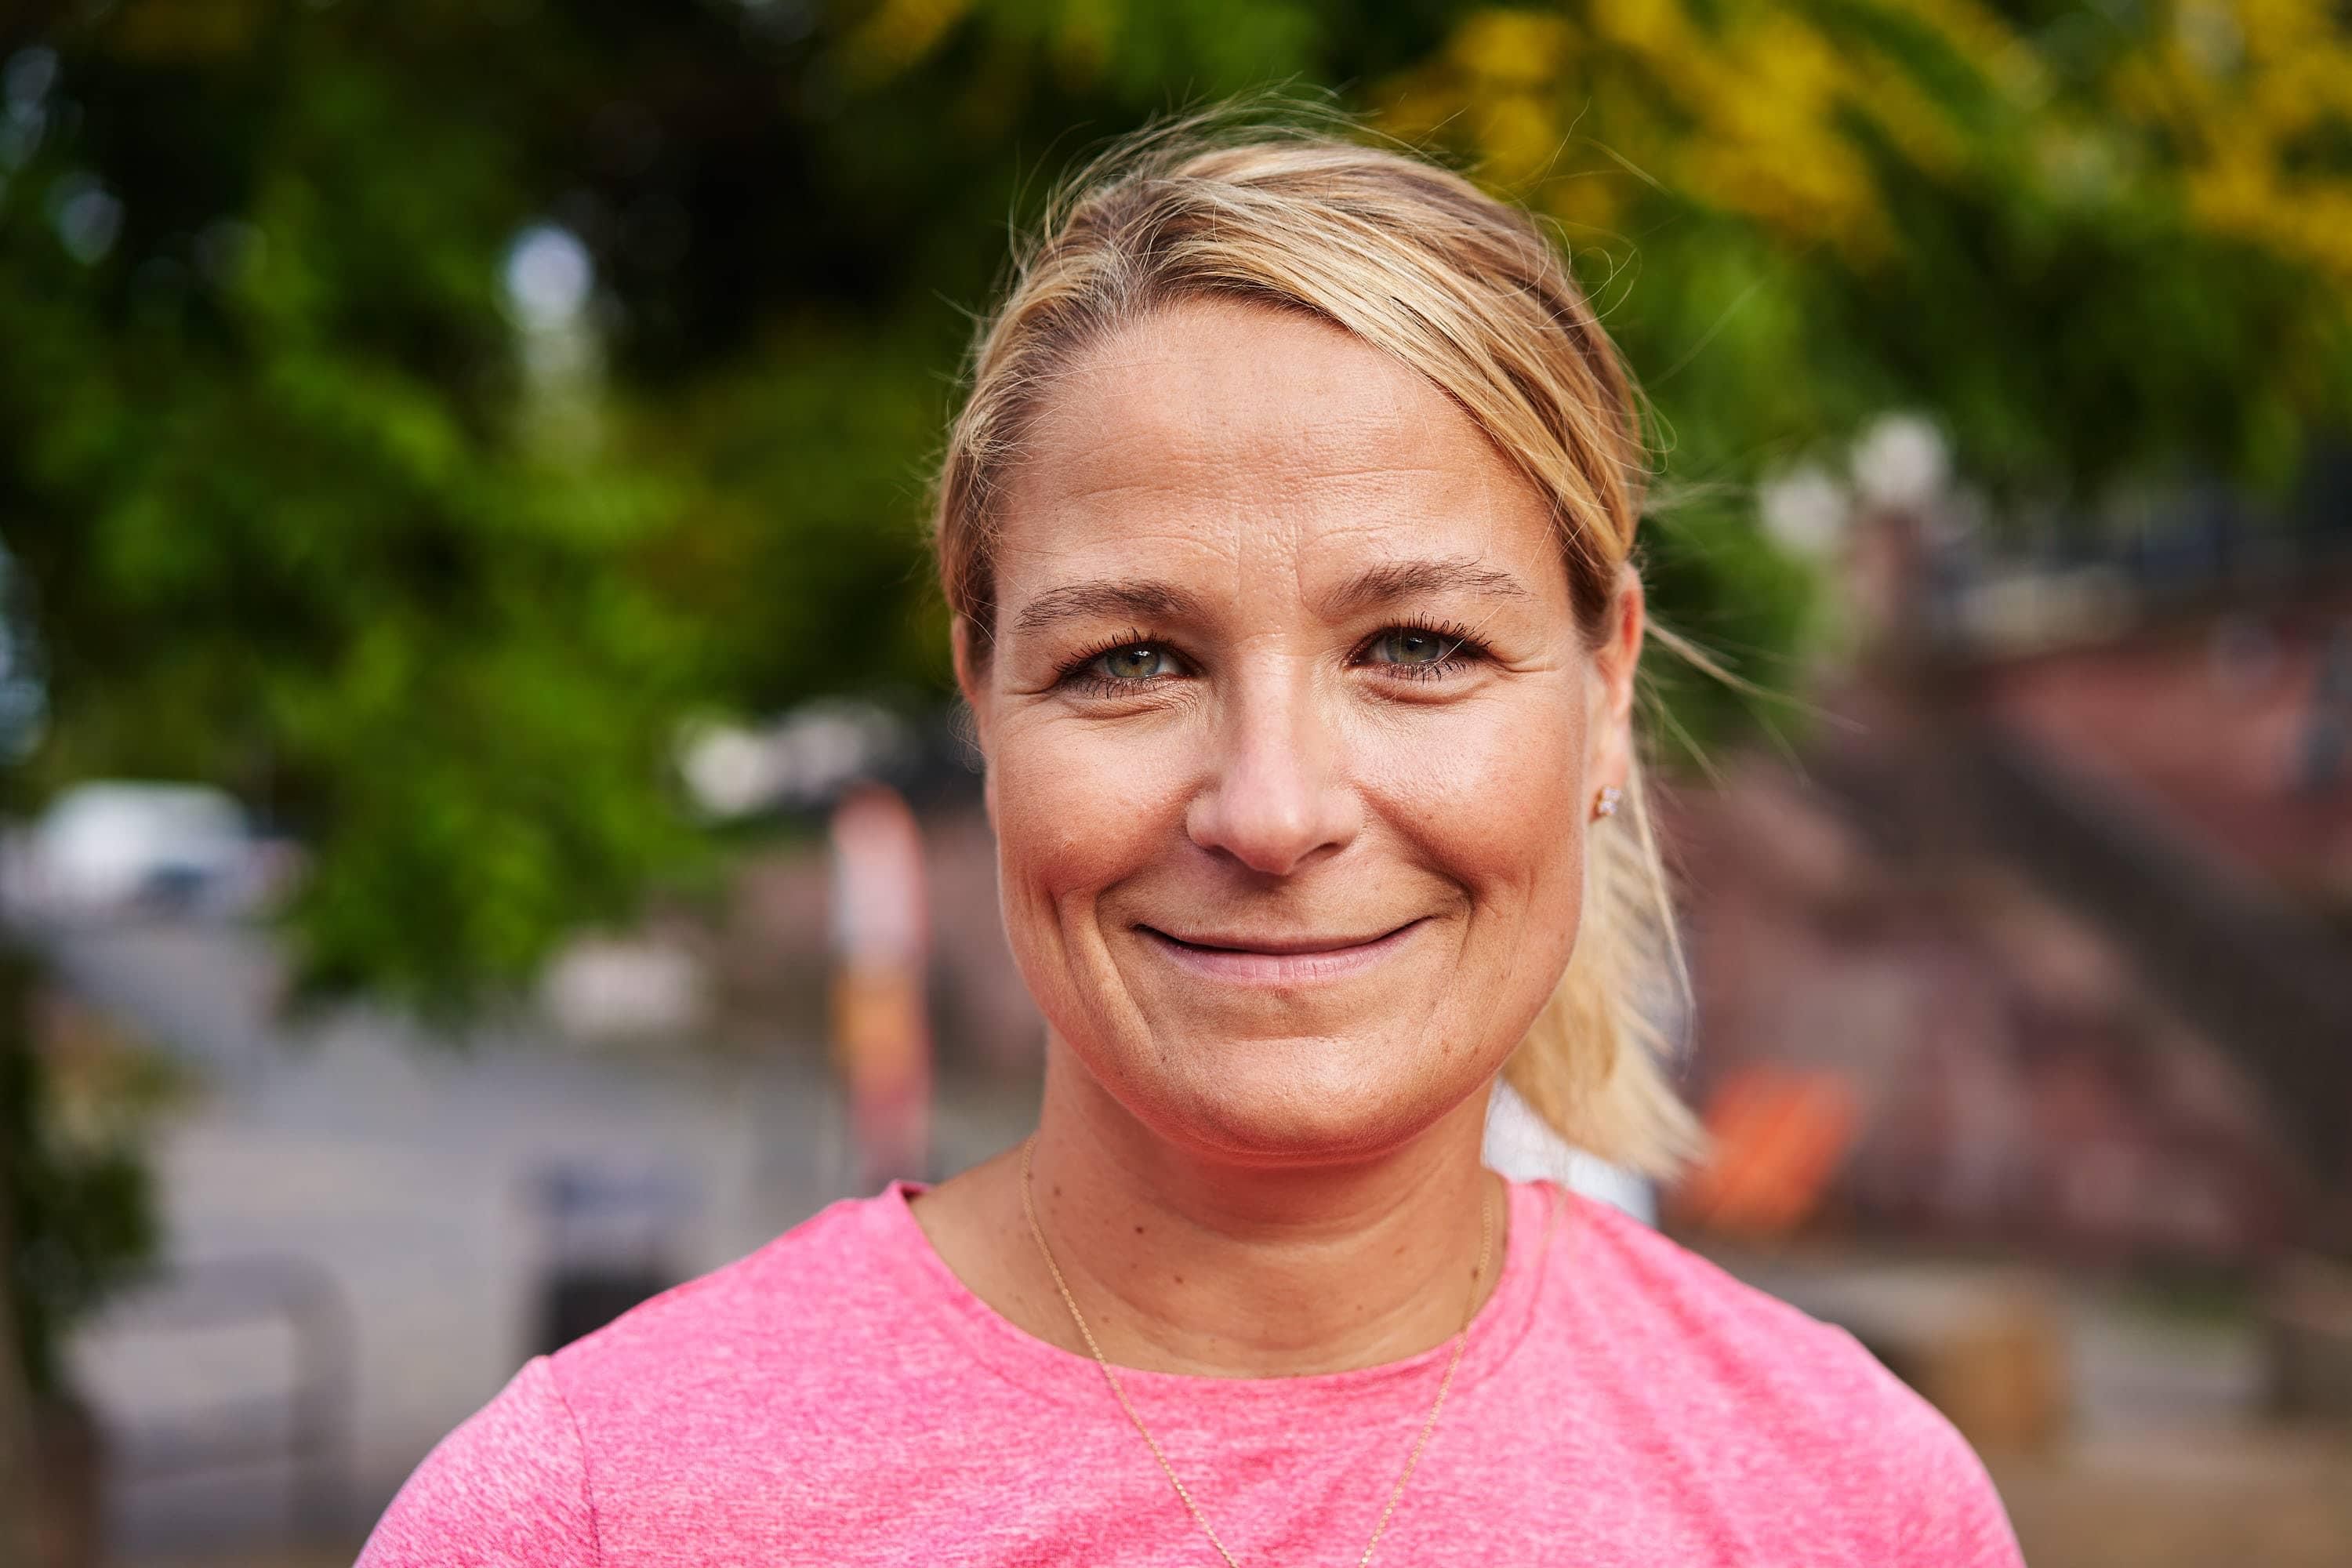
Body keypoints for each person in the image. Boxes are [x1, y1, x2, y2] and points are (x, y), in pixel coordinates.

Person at [358, 115, 2025, 1566]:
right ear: (984, 704)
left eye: (1421, 646)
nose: (1276, 810)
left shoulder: (1855, 1505)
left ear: (1603, 696)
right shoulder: (598, 1514)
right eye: (1131, 662)